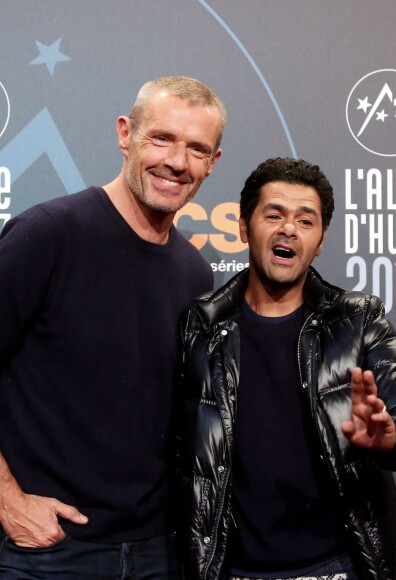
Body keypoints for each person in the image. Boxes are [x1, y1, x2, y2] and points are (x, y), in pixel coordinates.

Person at [175, 157, 396, 580]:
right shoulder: (201, 326)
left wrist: (392, 436)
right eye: (274, 215)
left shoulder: (357, 320)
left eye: (306, 221)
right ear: (244, 228)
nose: (289, 229)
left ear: (320, 241)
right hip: (228, 570)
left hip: (337, 567)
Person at [0, 76, 226, 578]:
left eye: (196, 148)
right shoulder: (48, 235)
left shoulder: (195, 271)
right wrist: (7, 499)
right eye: (161, 138)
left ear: (212, 163)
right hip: (49, 552)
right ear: (126, 134)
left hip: (160, 550)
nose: (176, 161)